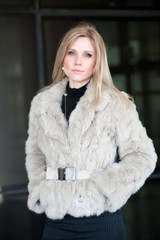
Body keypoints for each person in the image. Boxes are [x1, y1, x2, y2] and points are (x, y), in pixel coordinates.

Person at [25, 22, 157, 240]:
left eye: (87, 55)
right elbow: (35, 153)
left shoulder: (116, 103)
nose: (78, 61)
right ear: (63, 58)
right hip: (56, 224)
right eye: (72, 53)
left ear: (97, 62)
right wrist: (40, 187)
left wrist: (105, 188)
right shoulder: (42, 103)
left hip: (101, 223)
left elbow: (143, 156)